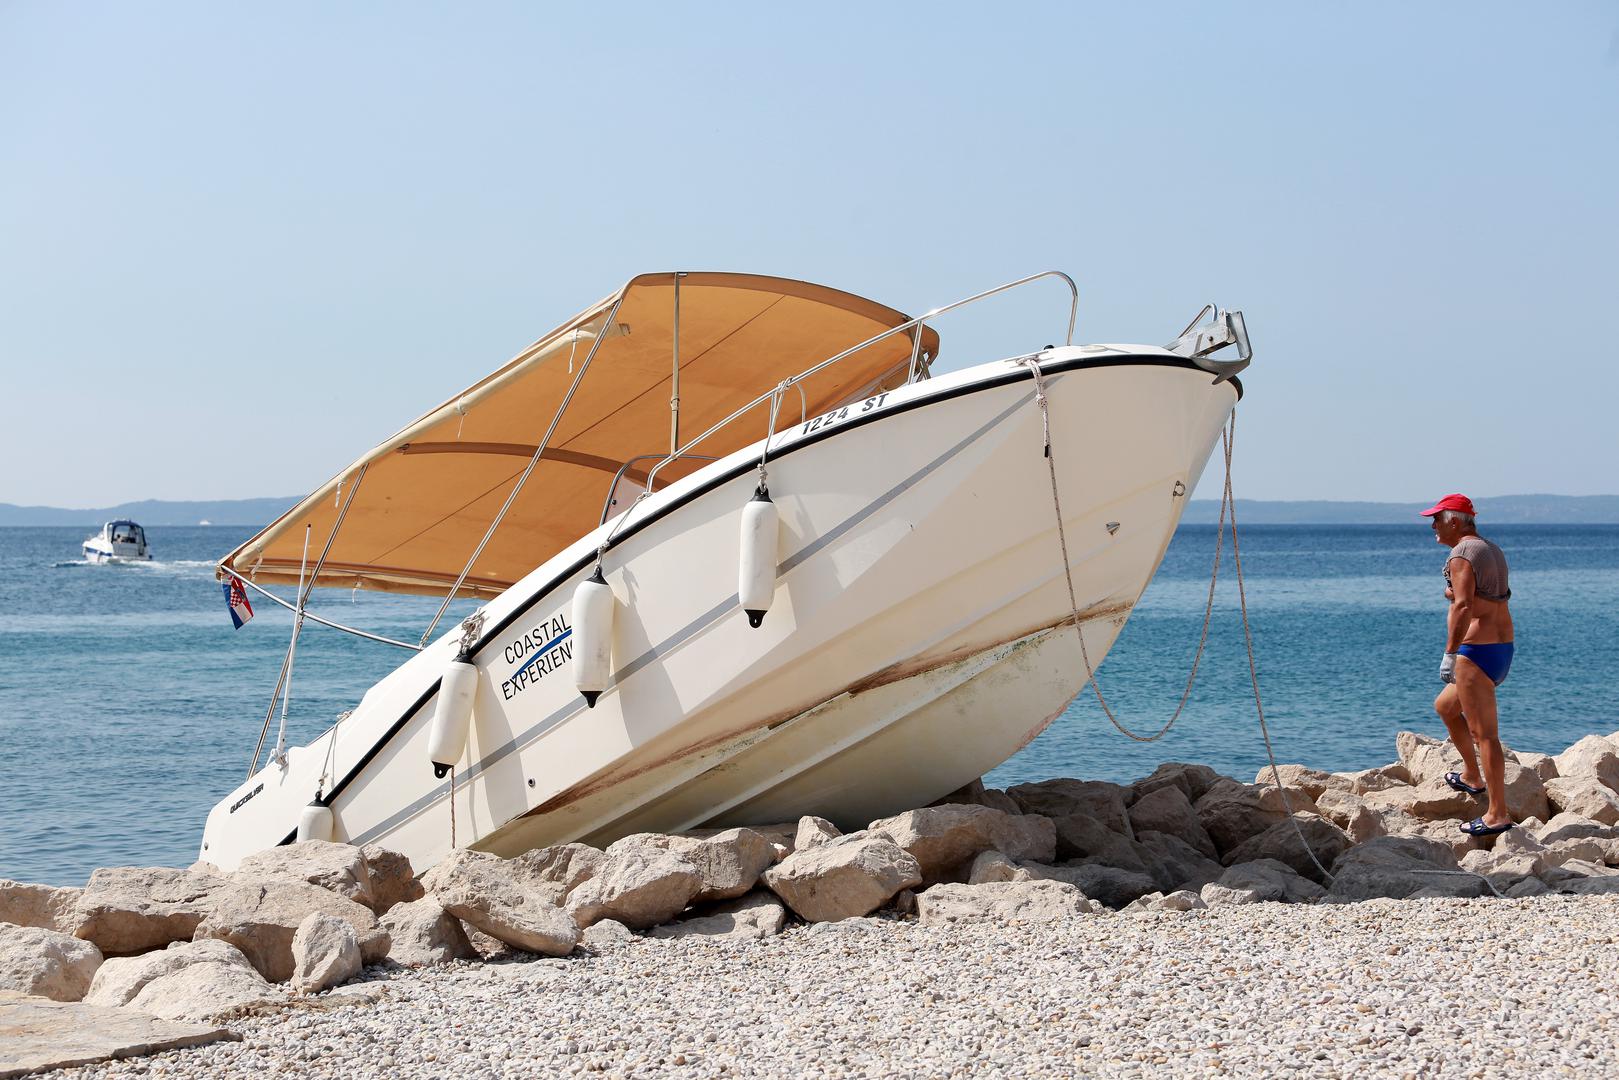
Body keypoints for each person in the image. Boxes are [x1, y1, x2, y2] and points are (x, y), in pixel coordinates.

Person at [1422, 493, 1515, 836]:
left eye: (1436, 519)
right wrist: (1457, 595)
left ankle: (1497, 814)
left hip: (1476, 652)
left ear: (1454, 521)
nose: (1432, 525)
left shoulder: (1461, 553)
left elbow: (1463, 606)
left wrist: (1450, 652)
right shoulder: (1491, 549)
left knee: (1485, 735)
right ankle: (1471, 776)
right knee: (1446, 706)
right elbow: (1492, 596)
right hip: (1502, 646)